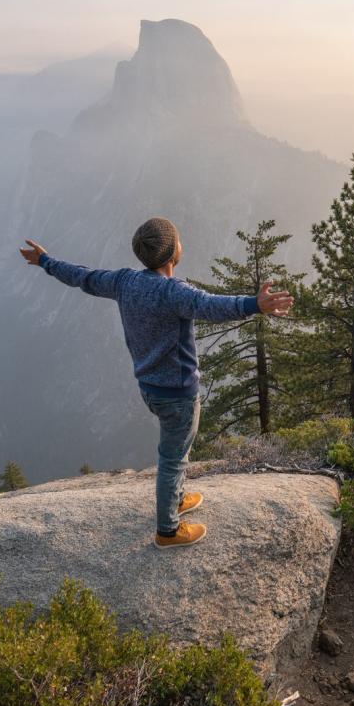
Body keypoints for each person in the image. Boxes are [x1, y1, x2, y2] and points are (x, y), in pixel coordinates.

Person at [18, 217, 293, 548]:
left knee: (176, 452)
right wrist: (255, 304)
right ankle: (167, 530)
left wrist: (45, 261)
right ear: (172, 253)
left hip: (149, 387)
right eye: (178, 240)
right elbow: (212, 306)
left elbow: (83, 278)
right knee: (173, 457)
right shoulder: (172, 291)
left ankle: (174, 499)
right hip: (178, 393)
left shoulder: (123, 282)